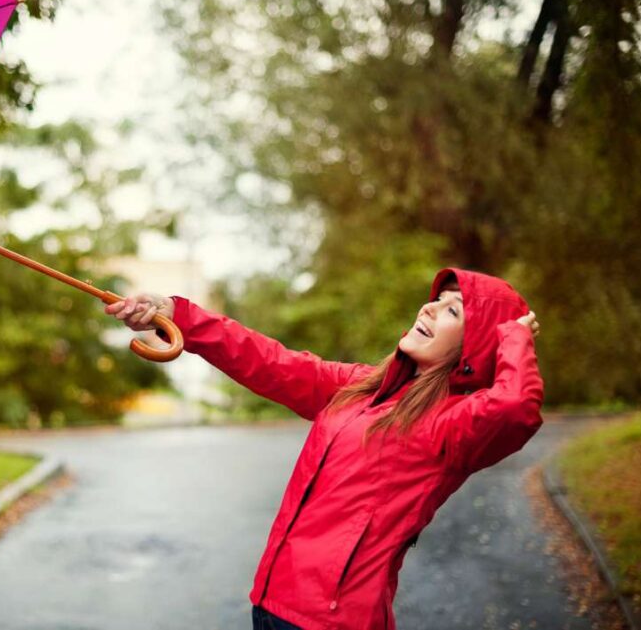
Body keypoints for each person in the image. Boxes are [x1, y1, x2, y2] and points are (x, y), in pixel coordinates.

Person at [104, 267, 543, 630]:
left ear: (475, 347)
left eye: (453, 310)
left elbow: (515, 407)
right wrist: (179, 315)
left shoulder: (454, 425)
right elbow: (268, 361)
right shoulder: (361, 388)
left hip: (335, 622)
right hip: (272, 603)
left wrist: (513, 337)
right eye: (437, 298)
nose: (430, 307)